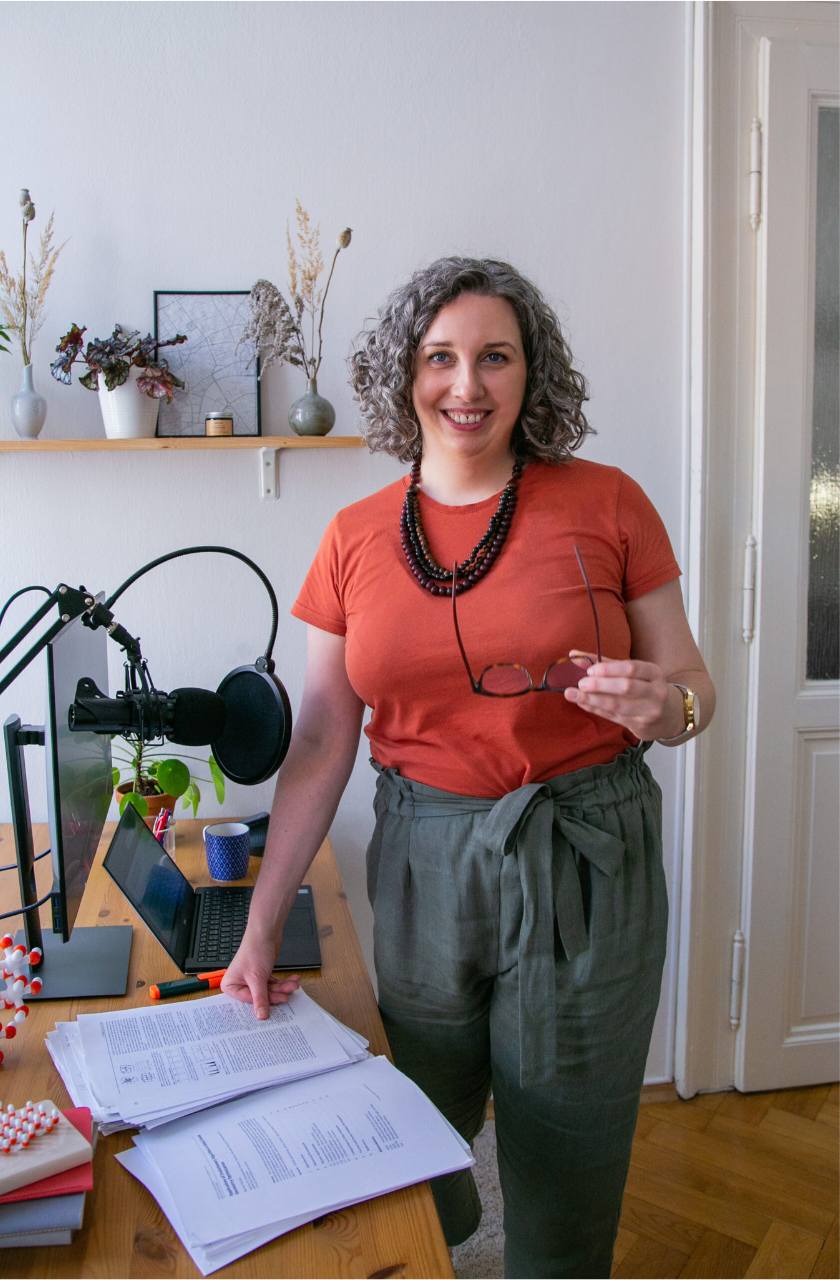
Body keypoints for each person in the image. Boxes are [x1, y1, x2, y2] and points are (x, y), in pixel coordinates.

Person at [222, 257, 715, 1278]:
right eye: (441, 356)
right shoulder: (354, 536)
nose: (468, 385)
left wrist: (665, 706)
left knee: (568, 1125)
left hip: (585, 850)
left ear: (534, 374)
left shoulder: (609, 501)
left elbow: (692, 689)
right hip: (421, 858)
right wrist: (260, 926)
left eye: (496, 356)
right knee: (417, 1111)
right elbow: (320, 737)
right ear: (404, 373)